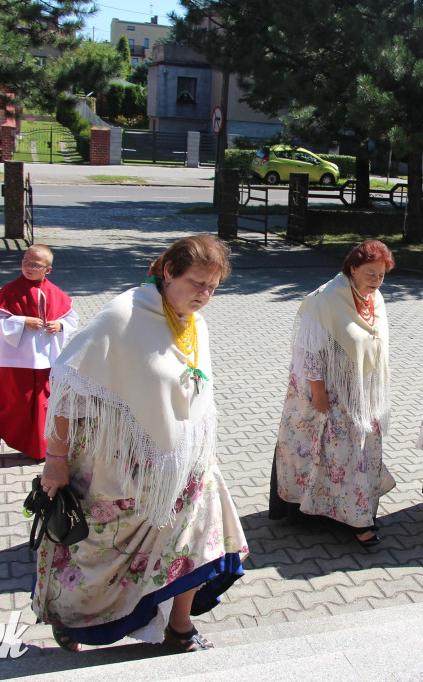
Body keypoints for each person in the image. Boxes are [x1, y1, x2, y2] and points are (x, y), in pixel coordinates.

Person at [34, 235, 248, 652]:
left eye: (213, 287)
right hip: (118, 473)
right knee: (100, 556)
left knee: (198, 538)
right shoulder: (122, 316)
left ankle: (179, 628)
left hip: (184, 469)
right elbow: (67, 385)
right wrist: (55, 461)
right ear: (168, 272)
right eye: (197, 283)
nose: (204, 295)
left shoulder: (193, 322)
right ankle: (73, 621)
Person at [270, 240, 396, 548]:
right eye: (370, 274)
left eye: (381, 275)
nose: (377, 281)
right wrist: (318, 394)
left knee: (354, 452)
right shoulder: (324, 300)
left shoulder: (373, 298)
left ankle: (349, 510)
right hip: (327, 392)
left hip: (361, 393)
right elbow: (308, 352)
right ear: (352, 269)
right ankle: (356, 520)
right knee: (334, 453)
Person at [0, 244, 78, 460]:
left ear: (48, 269)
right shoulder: (11, 289)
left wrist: (60, 326)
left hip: (46, 359)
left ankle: (38, 446)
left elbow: (72, 319)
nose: (28, 267)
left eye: (35, 265)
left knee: (42, 402)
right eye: (25, 261)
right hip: (17, 358)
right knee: (11, 399)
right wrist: (22, 321)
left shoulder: (56, 293)